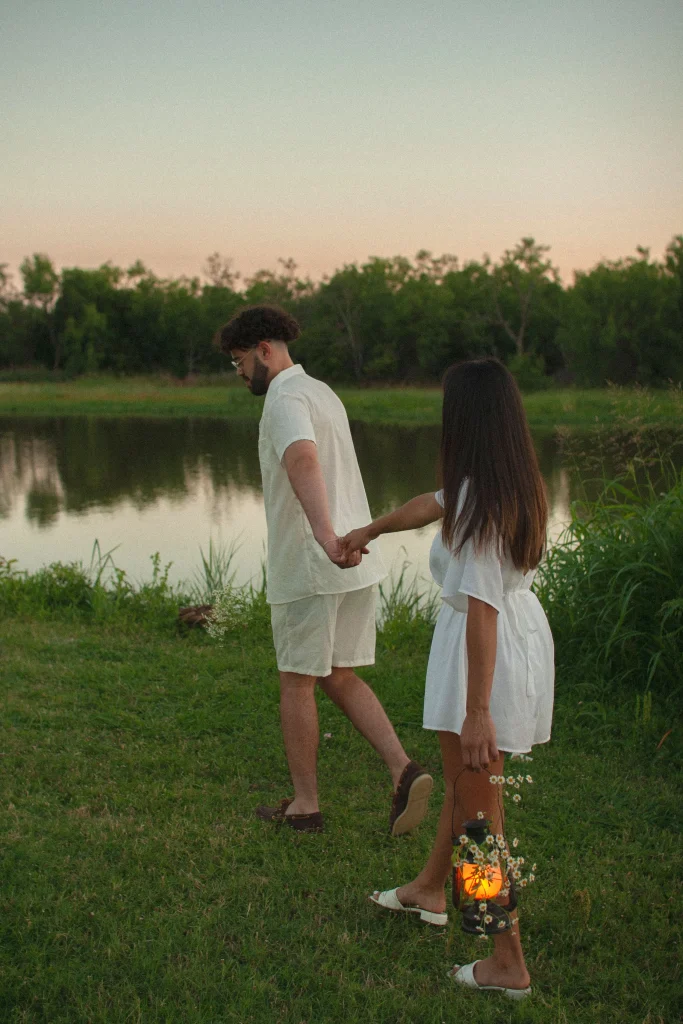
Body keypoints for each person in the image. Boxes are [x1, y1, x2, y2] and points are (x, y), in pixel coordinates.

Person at [342, 358, 554, 999]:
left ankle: (506, 959)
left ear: (466, 421)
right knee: (470, 795)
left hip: (482, 659)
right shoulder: (491, 487)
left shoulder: (486, 511)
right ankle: (429, 890)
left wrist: (478, 711)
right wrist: (373, 528)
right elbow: (426, 506)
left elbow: (482, 613)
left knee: (479, 821)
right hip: (499, 643)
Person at [216, 305, 432, 835]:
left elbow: (303, 460)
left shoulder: (285, 398)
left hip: (319, 561)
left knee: (296, 681)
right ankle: (404, 771)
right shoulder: (322, 392)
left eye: (240, 361)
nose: (240, 373)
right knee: (337, 674)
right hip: (355, 560)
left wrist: (321, 536)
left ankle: (305, 806)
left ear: (266, 350)